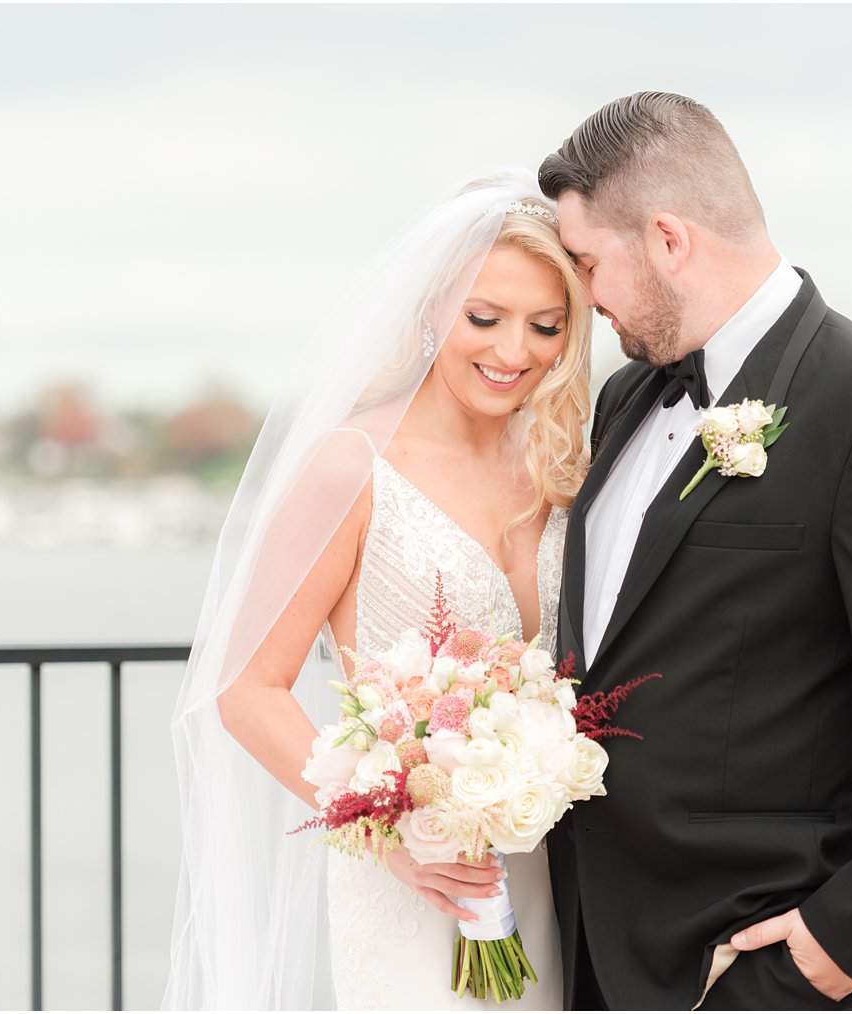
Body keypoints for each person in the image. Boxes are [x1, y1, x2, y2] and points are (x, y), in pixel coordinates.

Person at [537, 92, 852, 1010]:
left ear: (668, 240)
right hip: (587, 951)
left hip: (755, 964)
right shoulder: (623, 401)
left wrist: (842, 945)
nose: (581, 296)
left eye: (587, 262)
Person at [163, 170, 594, 1009]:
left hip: (549, 868)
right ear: (433, 306)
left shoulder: (560, 466)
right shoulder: (350, 465)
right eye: (485, 318)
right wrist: (396, 837)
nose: (514, 352)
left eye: (546, 326)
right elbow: (245, 689)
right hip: (410, 879)